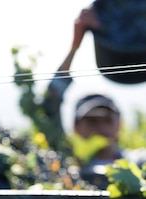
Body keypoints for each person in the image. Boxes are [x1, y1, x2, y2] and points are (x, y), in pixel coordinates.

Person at [41, 4, 146, 187]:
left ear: (119, 123)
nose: (100, 127)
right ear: (75, 127)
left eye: (107, 119)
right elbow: (49, 106)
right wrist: (75, 47)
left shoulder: (138, 164)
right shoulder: (67, 167)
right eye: (91, 121)